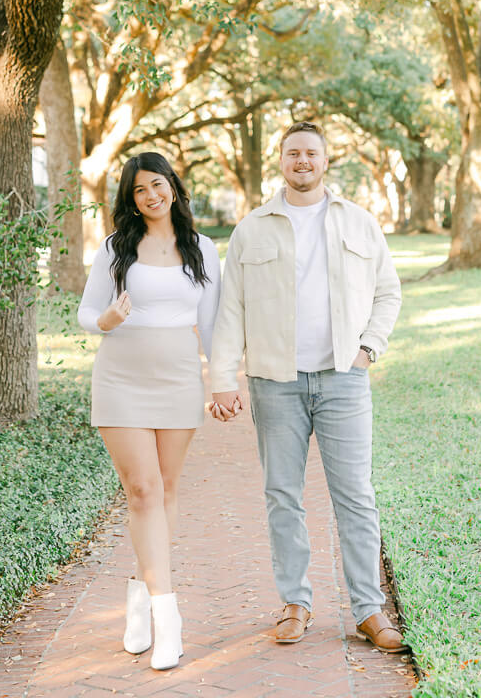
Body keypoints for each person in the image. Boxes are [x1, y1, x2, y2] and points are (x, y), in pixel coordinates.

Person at [209, 121, 406, 652]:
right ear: (282, 161)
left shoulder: (360, 223)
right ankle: (296, 603)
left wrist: (369, 348)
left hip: (343, 379)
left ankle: (368, 609)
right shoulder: (252, 228)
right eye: (293, 153)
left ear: (325, 161)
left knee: (356, 497)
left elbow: (389, 293)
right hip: (276, 383)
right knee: (282, 496)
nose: (302, 161)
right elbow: (232, 310)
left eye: (311, 154)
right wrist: (221, 378)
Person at [77, 152, 220, 671]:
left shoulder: (201, 249)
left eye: (157, 185)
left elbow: (212, 321)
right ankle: (168, 618)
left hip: (179, 377)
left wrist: (222, 381)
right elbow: (86, 313)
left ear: (174, 188)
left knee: (167, 489)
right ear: (130, 199)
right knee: (142, 490)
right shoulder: (117, 248)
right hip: (121, 378)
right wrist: (110, 319)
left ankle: (140, 594)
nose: (150, 196)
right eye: (139, 190)